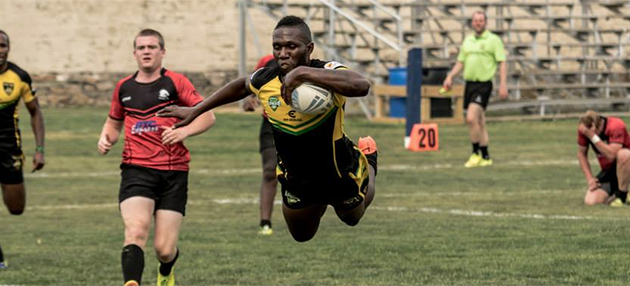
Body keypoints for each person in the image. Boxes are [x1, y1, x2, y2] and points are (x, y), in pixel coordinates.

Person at [158, 15, 378, 242]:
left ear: (309, 48)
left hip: (338, 172)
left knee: (351, 218)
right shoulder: (267, 79)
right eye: (277, 47)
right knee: (301, 235)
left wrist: (304, 73)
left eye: (291, 46)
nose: (283, 53)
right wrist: (196, 110)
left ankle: (370, 162)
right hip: (297, 177)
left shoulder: (327, 71)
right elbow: (241, 85)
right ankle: (318, 201)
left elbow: (361, 85)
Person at [97, 29, 215, 286]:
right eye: (141, 48)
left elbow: (207, 116)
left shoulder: (176, 82)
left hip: (174, 172)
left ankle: (166, 271)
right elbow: (114, 122)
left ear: (162, 52)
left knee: (164, 249)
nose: (147, 51)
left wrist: (183, 131)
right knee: (136, 231)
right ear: (135, 53)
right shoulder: (124, 87)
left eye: (152, 47)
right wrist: (106, 137)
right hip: (135, 169)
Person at [0, 30, 46, 269]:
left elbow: (35, 112)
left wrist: (39, 149)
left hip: (9, 149)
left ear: (8, 48)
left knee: (16, 208)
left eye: (2, 45)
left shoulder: (19, 77)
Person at [442, 11, 508, 168]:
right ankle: (486, 156)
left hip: (484, 85)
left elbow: (502, 63)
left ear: (485, 22)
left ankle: (475, 153)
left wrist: (503, 85)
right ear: (472, 23)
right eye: (475, 20)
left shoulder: (493, 40)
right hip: (470, 85)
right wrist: (450, 76)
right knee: (480, 121)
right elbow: (461, 62)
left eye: (481, 20)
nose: (478, 23)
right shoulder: (468, 41)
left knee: (471, 118)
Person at [241, 54, 279, 235]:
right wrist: (250, 99)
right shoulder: (267, 61)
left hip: (300, 125)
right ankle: (265, 222)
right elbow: (252, 84)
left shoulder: (309, 65)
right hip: (270, 124)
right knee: (270, 170)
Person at [577, 110, 630, 206]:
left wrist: (592, 136)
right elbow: (581, 154)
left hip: (626, 167)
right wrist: (590, 179)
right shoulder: (585, 130)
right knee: (591, 201)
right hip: (610, 170)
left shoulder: (616, 125)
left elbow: (612, 155)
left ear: (599, 125)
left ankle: (622, 196)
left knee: (624, 154)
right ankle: (618, 192)